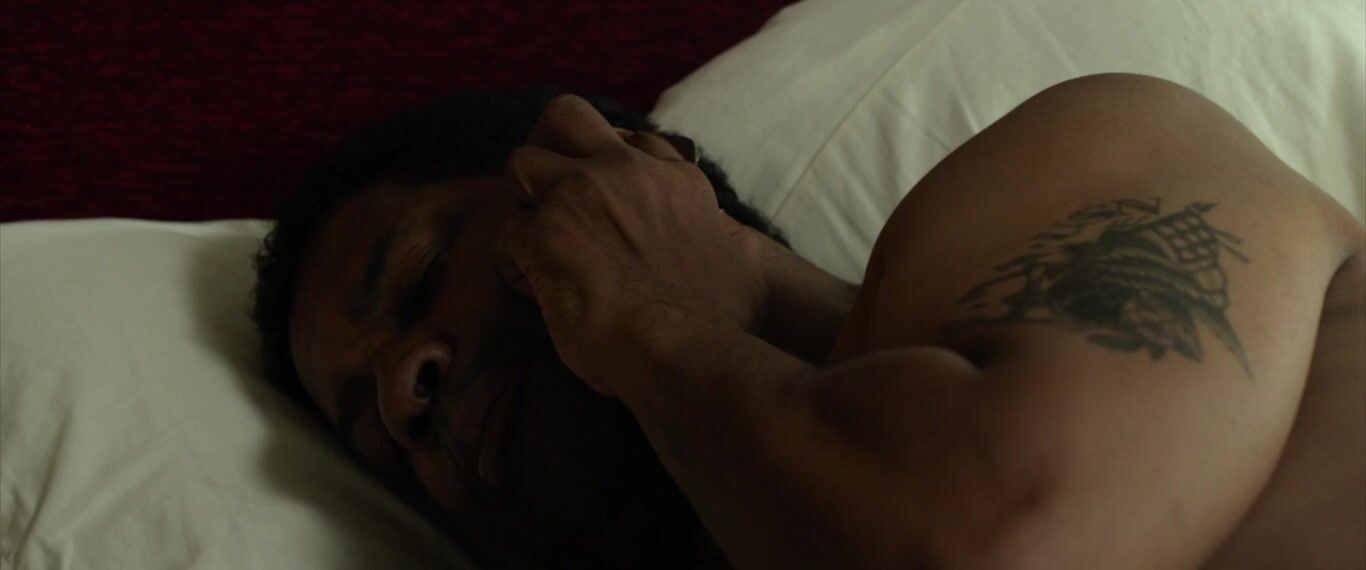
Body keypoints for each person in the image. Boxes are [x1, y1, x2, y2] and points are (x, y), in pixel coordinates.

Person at [253, 74, 1365, 569]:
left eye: (422, 274)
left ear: (629, 172)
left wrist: (646, 320)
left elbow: (997, 546)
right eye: (375, 437)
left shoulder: (1099, 154)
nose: (402, 391)